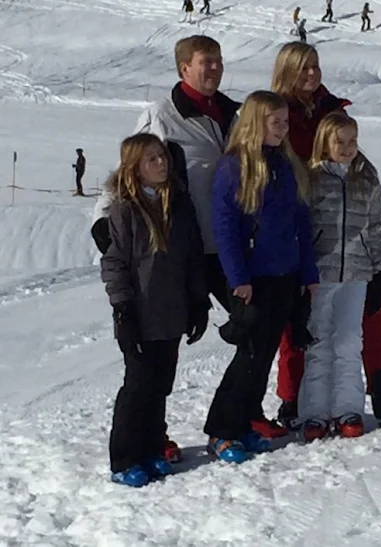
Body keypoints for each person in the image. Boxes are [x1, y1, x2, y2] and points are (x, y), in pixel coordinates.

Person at [271, 41, 381, 430]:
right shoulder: (276, 115)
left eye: (315, 66)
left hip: (353, 246)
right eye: (303, 68)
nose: (311, 74)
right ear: (286, 72)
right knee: (301, 327)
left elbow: (358, 169)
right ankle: (295, 399)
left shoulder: (330, 109)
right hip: (304, 241)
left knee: (366, 318)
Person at [91, 35, 241, 461]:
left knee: (256, 327)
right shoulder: (163, 114)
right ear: (183, 69)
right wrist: (105, 223)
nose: (213, 69)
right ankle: (149, 439)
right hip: (179, 250)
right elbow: (130, 165)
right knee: (151, 359)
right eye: (204, 63)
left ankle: (234, 419)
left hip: (222, 245)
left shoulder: (234, 114)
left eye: (218, 62)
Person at [204, 90, 318, 463]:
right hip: (253, 279)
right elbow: (225, 230)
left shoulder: (286, 164)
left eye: (285, 122)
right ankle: (221, 430)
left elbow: (302, 223)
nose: (283, 129)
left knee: (265, 355)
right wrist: (238, 278)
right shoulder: (234, 167)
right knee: (248, 356)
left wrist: (308, 272)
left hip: (286, 274)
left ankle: (245, 424)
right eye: (275, 122)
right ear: (255, 123)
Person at [101, 133, 211, 487]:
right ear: (134, 168)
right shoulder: (124, 208)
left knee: (161, 384)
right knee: (138, 385)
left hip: (172, 311)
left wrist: (198, 301)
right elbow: (115, 262)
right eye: (152, 159)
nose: (161, 163)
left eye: (162, 156)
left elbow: (192, 258)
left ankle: (151, 448)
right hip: (140, 313)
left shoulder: (179, 203)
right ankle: (125, 458)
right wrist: (122, 309)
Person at [299, 112, 381, 442]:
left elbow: (378, 228)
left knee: (350, 342)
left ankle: (348, 409)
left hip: (356, 273)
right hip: (319, 276)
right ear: (325, 141)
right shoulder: (311, 179)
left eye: (353, 141)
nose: (348, 147)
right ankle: (314, 413)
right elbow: (300, 229)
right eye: (340, 141)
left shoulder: (366, 180)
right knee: (319, 342)